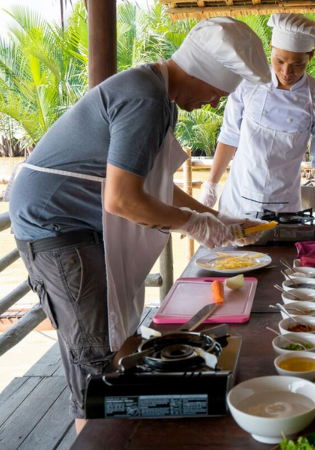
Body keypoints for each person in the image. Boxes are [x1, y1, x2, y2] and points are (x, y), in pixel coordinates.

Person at [7, 18, 271, 431]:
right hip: (55, 225)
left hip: (76, 223)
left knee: (114, 339)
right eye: (217, 94)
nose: (214, 103)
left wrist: (219, 218)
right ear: (200, 74)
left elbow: (155, 186)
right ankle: (93, 435)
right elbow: (123, 199)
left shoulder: (159, 94)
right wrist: (193, 223)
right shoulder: (147, 98)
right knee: (98, 356)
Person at [200, 13, 315, 233]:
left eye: (298, 65)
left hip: (284, 208)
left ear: (311, 55)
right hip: (238, 200)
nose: (286, 72)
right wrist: (211, 184)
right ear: (271, 47)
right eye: (279, 61)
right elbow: (229, 135)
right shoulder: (247, 82)